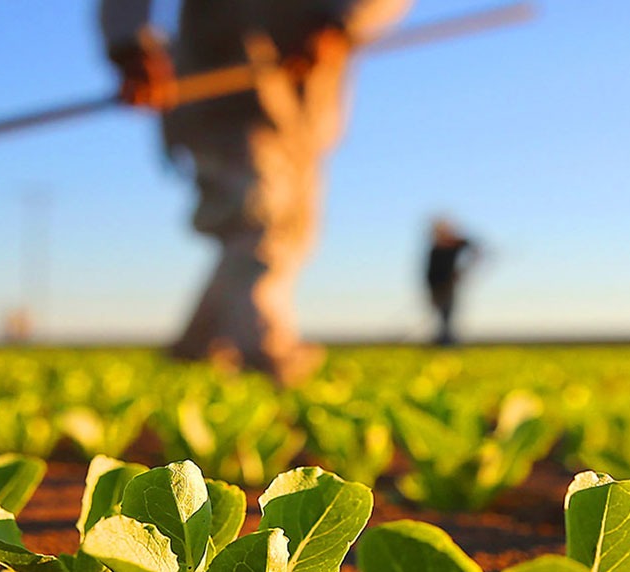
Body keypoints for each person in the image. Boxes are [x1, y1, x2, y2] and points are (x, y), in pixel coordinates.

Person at [100, 0, 412, 383]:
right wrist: (129, 45)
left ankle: (194, 351)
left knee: (290, 233)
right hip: (222, 87)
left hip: (302, 100)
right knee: (261, 223)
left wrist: (340, 23)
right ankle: (266, 353)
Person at [425, 217, 481, 346]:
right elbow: (430, 274)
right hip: (436, 287)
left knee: (448, 313)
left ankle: (447, 341)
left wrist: (464, 269)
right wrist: (432, 292)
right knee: (442, 315)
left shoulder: (456, 244)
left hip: (450, 285)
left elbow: (475, 250)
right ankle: (444, 340)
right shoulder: (435, 250)